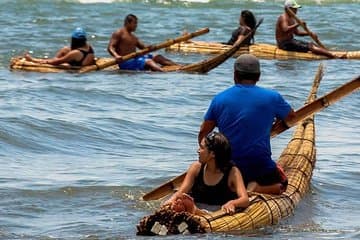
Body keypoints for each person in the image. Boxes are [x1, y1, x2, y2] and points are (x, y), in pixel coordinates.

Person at [198, 54, 296, 195]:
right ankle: (258, 188)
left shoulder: (219, 99)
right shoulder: (272, 97)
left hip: (228, 168)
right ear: (258, 76)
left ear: (235, 75)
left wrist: (207, 160)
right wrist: (272, 126)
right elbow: (291, 116)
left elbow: (203, 133)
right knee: (282, 184)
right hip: (260, 167)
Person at [165, 132, 249, 215]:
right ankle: (192, 209)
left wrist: (232, 203)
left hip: (217, 212)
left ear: (212, 154)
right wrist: (171, 200)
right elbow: (181, 192)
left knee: (190, 205)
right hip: (197, 205)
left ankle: (195, 211)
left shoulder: (232, 172)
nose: (198, 151)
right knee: (180, 200)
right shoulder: (196, 167)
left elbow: (245, 200)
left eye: (201, 148)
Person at [108, 14, 179, 72]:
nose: (136, 25)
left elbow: (144, 48)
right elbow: (110, 47)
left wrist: (150, 47)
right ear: (128, 23)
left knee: (158, 57)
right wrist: (116, 56)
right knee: (149, 61)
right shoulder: (119, 33)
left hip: (135, 59)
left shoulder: (133, 37)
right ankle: (163, 73)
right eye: (135, 23)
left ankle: (179, 67)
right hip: (126, 62)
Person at [275, 0, 340, 58]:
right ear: (288, 9)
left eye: (296, 9)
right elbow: (285, 29)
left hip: (291, 42)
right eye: (294, 9)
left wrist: (309, 33)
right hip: (284, 44)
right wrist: (298, 24)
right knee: (311, 47)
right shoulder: (283, 17)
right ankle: (333, 55)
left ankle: (327, 52)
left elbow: (297, 33)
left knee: (312, 44)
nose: (296, 10)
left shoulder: (292, 18)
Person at [24, 27, 95, 66]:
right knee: (65, 49)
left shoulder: (75, 53)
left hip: (77, 64)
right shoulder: (88, 46)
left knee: (56, 60)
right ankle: (53, 58)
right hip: (82, 58)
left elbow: (57, 62)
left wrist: (35, 61)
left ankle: (33, 59)